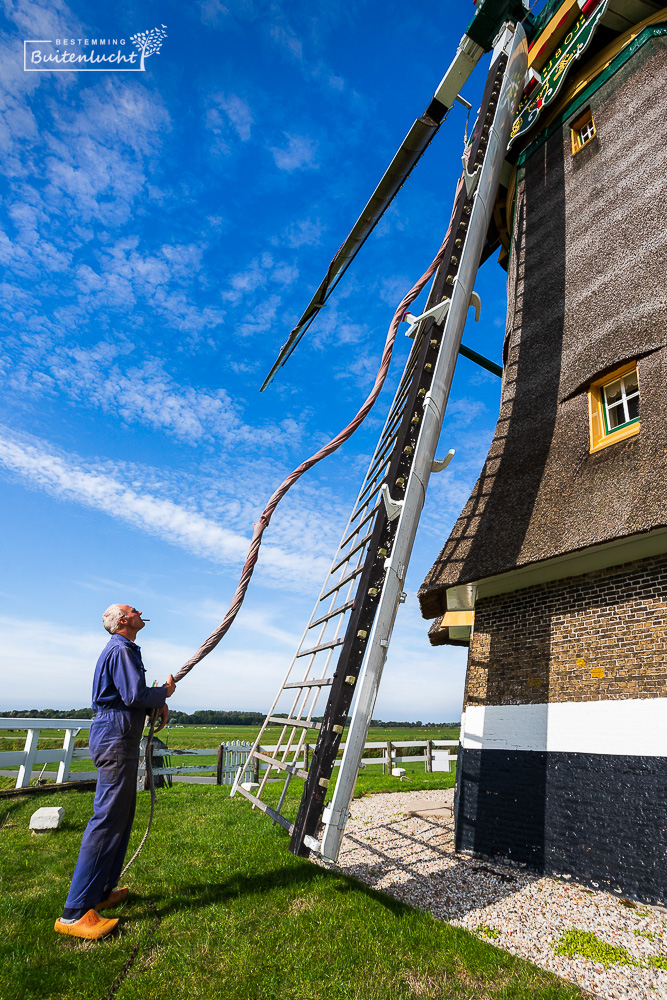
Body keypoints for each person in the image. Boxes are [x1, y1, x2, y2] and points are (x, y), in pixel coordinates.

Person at [54, 604, 175, 940]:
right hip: (115, 736)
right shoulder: (121, 650)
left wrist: (155, 704)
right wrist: (163, 693)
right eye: (135, 611)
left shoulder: (124, 650)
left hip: (119, 734)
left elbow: (131, 697)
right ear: (124, 621)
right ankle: (74, 912)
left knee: (120, 816)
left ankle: (102, 891)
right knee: (107, 819)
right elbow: (133, 693)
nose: (140, 613)